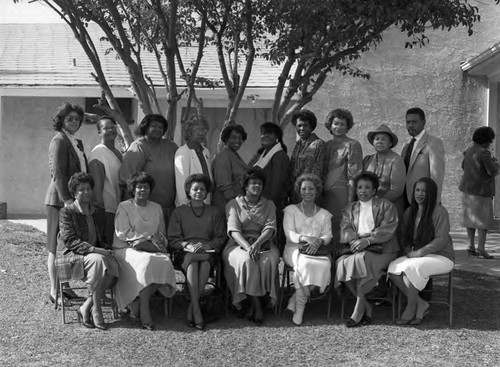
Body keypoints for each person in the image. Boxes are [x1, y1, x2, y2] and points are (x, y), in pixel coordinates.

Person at [113, 172, 176, 331]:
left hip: (149, 246)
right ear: (132, 189)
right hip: (126, 247)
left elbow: (161, 232)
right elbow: (122, 233)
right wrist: (143, 240)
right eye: (139, 187)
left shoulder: (156, 207)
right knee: (147, 262)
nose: (142, 190)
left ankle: (140, 302)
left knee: (164, 261)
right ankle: (145, 310)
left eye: (146, 187)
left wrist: (150, 242)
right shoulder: (124, 206)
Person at [335, 172, 399, 327]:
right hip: (357, 248)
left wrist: (368, 240)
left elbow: (388, 229)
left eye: (367, 188)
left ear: (375, 190)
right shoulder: (350, 208)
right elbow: (346, 228)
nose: (362, 191)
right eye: (359, 187)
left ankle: (358, 309)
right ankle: (367, 305)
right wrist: (355, 240)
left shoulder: (386, 205)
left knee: (360, 260)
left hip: (384, 249)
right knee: (340, 263)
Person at [56, 172, 119, 330]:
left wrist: (106, 250)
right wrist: (96, 250)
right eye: (81, 189)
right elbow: (70, 241)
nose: (86, 192)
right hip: (71, 256)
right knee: (99, 260)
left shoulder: (97, 212)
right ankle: (96, 310)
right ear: (74, 192)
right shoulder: (67, 212)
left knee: (114, 263)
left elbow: (102, 238)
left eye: (88, 188)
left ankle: (85, 307)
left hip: (94, 254)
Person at [388, 178, 455, 325]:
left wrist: (419, 253)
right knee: (393, 269)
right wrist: (408, 251)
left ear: (431, 193)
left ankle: (410, 308)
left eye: (424, 191)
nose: (420, 194)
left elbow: (441, 239)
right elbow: (404, 237)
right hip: (415, 255)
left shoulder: (439, 211)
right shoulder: (409, 212)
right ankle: (421, 304)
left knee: (413, 267)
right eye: (417, 190)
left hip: (441, 256)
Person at [168, 174, 227, 330]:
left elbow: (220, 237)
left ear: (207, 192)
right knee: (193, 264)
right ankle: (196, 310)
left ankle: (191, 309)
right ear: (189, 191)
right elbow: (173, 239)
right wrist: (187, 245)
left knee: (206, 263)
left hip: (207, 250)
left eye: (202, 189)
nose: (199, 192)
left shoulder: (215, 212)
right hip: (186, 252)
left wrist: (206, 245)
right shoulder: (179, 212)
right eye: (195, 189)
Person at [222, 167, 280, 325]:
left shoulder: (269, 205)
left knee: (269, 260)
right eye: (253, 183)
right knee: (248, 260)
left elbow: (270, 227)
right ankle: (256, 305)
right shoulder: (233, 204)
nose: (256, 186)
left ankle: (260, 301)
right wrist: (249, 247)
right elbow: (233, 231)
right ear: (245, 186)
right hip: (237, 243)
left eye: (259, 183)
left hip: (263, 241)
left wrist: (257, 244)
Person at [45, 102, 87, 305]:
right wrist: (68, 201)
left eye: (77, 119)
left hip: (73, 201)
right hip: (59, 201)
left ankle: (66, 287)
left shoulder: (76, 142)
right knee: (55, 246)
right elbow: (58, 174)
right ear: (61, 120)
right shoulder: (59, 140)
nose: (74, 122)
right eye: (69, 118)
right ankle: (55, 291)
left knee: (66, 246)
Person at [283, 173, 333, 326]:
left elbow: (328, 235)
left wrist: (318, 241)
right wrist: (305, 238)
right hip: (294, 248)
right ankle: (300, 308)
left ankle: (295, 299)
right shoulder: (290, 210)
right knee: (303, 264)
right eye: (304, 189)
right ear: (299, 191)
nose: (307, 192)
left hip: (318, 250)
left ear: (317, 191)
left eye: (311, 189)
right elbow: (289, 233)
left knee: (324, 265)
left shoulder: (324, 214)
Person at [119, 114, 178, 226]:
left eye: (161, 127)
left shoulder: (171, 147)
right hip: (144, 209)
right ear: (145, 127)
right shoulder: (139, 146)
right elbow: (128, 177)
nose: (158, 129)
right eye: (154, 126)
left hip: (169, 208)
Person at [322, 108, 363, 246]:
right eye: (335, 123)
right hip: (325, 194)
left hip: (343, 193)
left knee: (341, 227)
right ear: (330, 125)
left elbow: (355, 175)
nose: (338, 127)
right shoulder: (326, 145)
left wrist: (350, 201)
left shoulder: (352, 145)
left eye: (342, 124)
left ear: (347, 127)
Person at [459, 126, 500, 259]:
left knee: (470, 219)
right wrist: (496, 163)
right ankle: (481, 247)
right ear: (486, 140)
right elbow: (491, 171)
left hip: (467, 190)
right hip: (482, 191)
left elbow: (463, 166)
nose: (490, 143)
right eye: (490, 140)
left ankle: (470, 245)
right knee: (483, 221)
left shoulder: (469, 150)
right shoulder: (484, 153)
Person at [249, 122, 290, 253]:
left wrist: (266, 207)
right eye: (263, 133)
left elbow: (276, 186)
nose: (264, 136)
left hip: (273, 206)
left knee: (270, 243)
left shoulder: (280, 156)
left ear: (277, 137)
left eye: (269, 133)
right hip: (262, 205)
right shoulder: (264, 153)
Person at [363, 124, 406, 237]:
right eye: (377, 139)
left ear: (390, 143)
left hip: (390, 208)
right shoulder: (368, 159)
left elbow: (397, 190)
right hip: (369, 209)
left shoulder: (396, 160)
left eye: (383, 139)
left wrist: (377, 205)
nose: (380, 141)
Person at [88, 116, 123, 246]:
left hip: (118, 208)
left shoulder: (117, 153)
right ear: (99, 132)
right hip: (105, 211)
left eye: (113, 127)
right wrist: (99, 217)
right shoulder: (98, 154)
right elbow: (97, 192)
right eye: (106, 128)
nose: (110, 130)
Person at [401, 107, 445, 205]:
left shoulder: (434, 143)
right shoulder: (406, 144)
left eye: (414, 122)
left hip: (423, 200)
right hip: (405, 200)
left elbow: (437, 176)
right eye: (408, 122)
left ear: (424, 122)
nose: (410, 125)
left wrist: (434, 203)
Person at [289, 109, 325, 204]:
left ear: (311, 126)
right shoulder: (298, 145)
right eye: (299, 125)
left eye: (305, 125)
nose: (301, 128)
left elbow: (318, 171)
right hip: (295, 193)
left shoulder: (318, 144)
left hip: (309, 193)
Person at [175, 115, 212, 206]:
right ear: (189, 133)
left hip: (205, 202)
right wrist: (186, 205)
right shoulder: (182, 152)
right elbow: (181, 183)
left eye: (203, 130)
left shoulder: (205, 151)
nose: (201, 133)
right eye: (197, 130)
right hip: (190, 205)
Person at [212, 124, 249, 212]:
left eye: (240, 138)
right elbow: (225, 185)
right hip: (227, 205)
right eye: (233, 137)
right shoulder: (223, 157)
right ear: (226, 139)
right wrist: (234, 207)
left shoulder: (234, 155)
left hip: (237, 203)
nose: (237, 140)